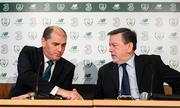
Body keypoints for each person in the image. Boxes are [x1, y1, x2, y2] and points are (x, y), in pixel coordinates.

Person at [95, 28, 180, 99]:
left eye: (114, 45)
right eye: (110, 45)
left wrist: (174, 102)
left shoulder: (152, 63)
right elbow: (97, 100)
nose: (110, 49)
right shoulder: (104, 71)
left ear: (129, 47)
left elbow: (178, 80)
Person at [11, 26, 81, 100]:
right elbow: (27, 76)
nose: (60, 49)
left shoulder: (68, 68)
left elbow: (61, 98)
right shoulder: (29, 53)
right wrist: (59, 91)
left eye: (63, 45)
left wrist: (30, 95)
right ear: (43, 42)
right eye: (55, 44)